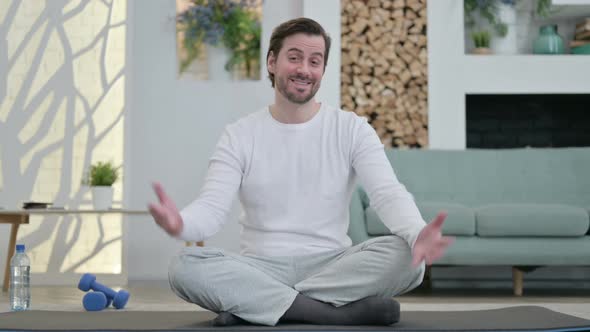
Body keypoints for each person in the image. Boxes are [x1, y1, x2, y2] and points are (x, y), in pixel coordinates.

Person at [149, 17, 453, 327]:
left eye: (314, 61)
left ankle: (259, 305)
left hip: (333, 266)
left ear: (322, 69)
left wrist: (417, 233)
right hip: (259, 267)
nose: (304, 69)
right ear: (272, 61)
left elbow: (387, 193)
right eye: (294, 58)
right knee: (184, 266)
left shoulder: (352, 129)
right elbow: (212, 209)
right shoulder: (239, 134)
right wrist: (182, 224)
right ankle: (335, 313)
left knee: (409, 259)